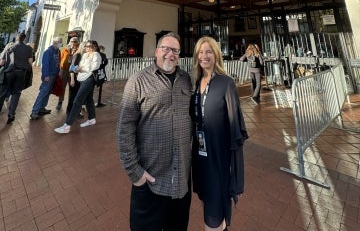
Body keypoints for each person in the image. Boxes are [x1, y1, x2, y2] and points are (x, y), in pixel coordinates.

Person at [116, 32, 192, 231]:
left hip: (181, 180)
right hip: (150, 180)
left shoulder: (186, 80)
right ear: (156, 51)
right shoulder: (138, 80)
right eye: (165, 48)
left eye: (175, 50)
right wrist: (135, 172)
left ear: (179, 55)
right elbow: (125, 128)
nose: (170, 54)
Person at [191, 36, 248, 231]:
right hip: (199, 157)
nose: (204, 56)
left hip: (218, 159)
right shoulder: (196, 83)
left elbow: (236, 132)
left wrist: (237, 180)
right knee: (208, 203)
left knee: (213, 216)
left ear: (216, 55)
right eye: (200, 52)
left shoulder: (226, 84)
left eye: (208, 52)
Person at [54, 39, 102, 133]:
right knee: (89, 100)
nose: (87, 48)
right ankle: (92, 119)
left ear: (94, 47)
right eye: (86, 46)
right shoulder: (84, 55)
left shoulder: (96, 54)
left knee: (77, 101)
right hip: (81, 78)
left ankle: (67, 125)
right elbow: (80, 66)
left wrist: (81, 68)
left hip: (90, 78)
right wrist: (76, 69)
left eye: (89, 46)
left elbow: (95, 67)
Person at [0, 33, 33, 124]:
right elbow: (30, 62)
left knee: (2, 93)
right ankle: (11, 115)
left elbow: (2, 62)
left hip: (9, 73)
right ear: (24, 39)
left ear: (17, 38)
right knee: (16, 94)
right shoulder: (29, 48)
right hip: (21, 73)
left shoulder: (9, 47)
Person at [30, 37, 62, 120]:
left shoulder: (58, 51)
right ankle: (34, 111)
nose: (60, 44)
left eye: (61, 42)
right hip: (49, 76)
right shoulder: (48, 52)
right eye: (59, 42)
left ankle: (42, 108)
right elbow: (45, 65)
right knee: (43, 93)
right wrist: (46, 75)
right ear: (55, 42)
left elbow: (58, 62)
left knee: (47, 92)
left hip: (54, 75)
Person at [56, 36, 80, 110]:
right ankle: (60, 102)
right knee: (62, 86)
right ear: (69, 42)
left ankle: (71, 102)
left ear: (77, 43)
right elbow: (60, 59)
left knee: (72, 87)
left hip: (73, 72)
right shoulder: (64, 49)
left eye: (75, 41)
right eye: (72, 41)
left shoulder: (78, 51)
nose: (73, 43)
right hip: (64, 70)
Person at [66, 41, 85, 119]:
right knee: (73, 96)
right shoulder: (78, 55)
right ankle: (70, 112)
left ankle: (76, 112)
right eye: (86, 47)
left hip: (80, 79)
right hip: (74, 78)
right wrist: (72, 80)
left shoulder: (83, 56)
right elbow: (72, 68)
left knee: (78, 96)